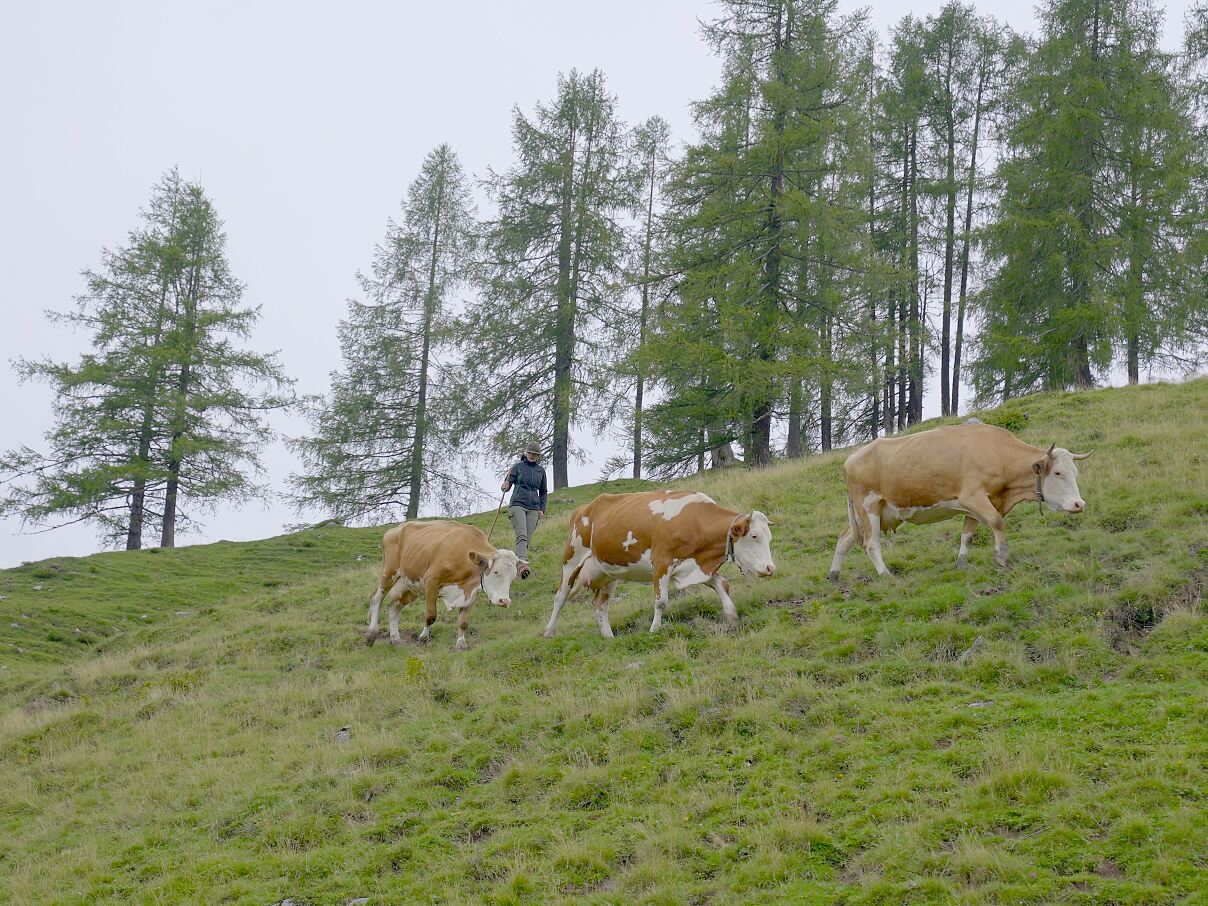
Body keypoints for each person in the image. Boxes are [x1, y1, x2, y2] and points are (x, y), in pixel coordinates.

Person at [501, 441, 547, 579]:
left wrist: (542, 509)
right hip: (517, 504)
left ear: (538, 456)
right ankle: (522, 565)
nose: (532, 455)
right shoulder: (518, 467)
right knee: (521, 535)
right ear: (526, 453)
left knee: (527, 539)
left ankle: (512, 564)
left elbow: (543, 492)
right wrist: (505, 486)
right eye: (530, 453)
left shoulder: (541, 471)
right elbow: (506, 485)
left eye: (535, 454)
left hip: (534, 507)